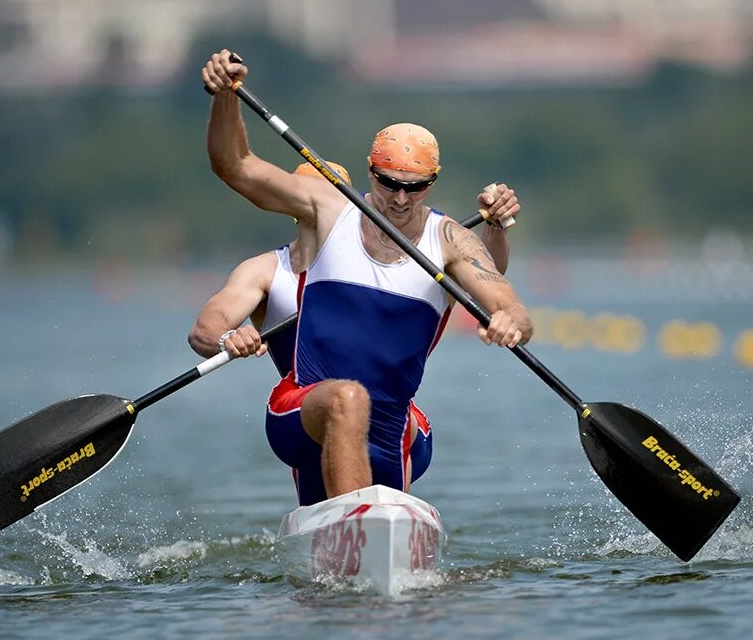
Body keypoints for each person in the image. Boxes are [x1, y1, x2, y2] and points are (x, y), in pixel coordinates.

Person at [201, 49, 533, 506]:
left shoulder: (451, 240)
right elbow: (234, 165)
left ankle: (374, 532)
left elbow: (509, 303)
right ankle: (357, 521)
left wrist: (511, 320)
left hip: (393, 425)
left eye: (414, 187)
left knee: (398, 422)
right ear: (369, 171)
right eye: (387, 182)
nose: (399, 198)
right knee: (348, 400)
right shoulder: (328, 209)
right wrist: (226, 95)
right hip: (304, 410)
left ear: (432, 182)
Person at [188, 161, 520, 502]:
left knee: (394, 423)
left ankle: (385, 523)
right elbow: (206, 328)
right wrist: (229, 337)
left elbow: (486, 279)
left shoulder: (399, 261)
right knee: (342, 405)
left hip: (393, 418)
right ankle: (355, 525)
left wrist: (495, 227)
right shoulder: (265, 271)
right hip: (313, 415)